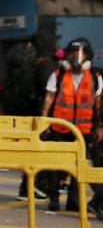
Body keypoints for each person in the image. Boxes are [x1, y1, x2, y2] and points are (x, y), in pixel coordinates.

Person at [39, 37, 101, 216]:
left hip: (83, 130)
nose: (77, 57)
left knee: (79, 167)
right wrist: (44, 123)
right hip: (60, 128)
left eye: (80, 53)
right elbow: (48, 99)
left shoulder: (95, 77)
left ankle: (73, 200)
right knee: (56, 166)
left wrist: (99, 127)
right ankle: (54, 198)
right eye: (73, 53)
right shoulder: (58, 75)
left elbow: (98, 105)